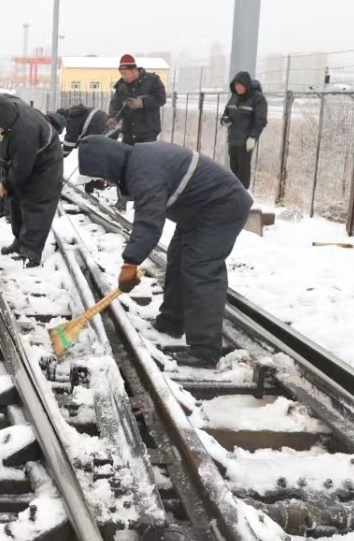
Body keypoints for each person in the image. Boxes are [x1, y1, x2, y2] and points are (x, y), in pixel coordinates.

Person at [77, 135, 252, 370]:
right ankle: (171, 322)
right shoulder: (138, 160)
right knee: (179, 259)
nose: (107, 182)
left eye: (104, 176)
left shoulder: (144, 169)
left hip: (222, 207)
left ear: (108, 163)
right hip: (200, 210)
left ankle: (206, 350)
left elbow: (149, 221)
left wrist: (130, 263)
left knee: (201, 270)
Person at [0, 94, 64, 267]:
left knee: (37, 202)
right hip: (24, 158)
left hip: (46, 160)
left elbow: (21, 168)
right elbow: (4, 157)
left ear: (2, 124)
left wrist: (6, 182)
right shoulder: (1, 124)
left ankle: (31, 251)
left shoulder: (25, 131)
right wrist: (5, 181)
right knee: (15, 197)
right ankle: (19, 241)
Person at [221, 71, 268, 190]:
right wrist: (224, 119)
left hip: (246, 140)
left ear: (247, 85)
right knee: (233, 165)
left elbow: (260, 120)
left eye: (240, 85)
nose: (238, 88)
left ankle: (243, 192)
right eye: (236, 85)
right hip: (232, 138)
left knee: (244, 167)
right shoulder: (234, 96)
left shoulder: (258, 98)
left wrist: (253, 137)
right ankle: (235, 191)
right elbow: (226, 112)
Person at [106, 54, 166, 144]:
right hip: (128, 135)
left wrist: (142, 103)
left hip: (147, 135)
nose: (123, 77)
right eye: (121, 74)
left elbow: (161, 98)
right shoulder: (121, 87)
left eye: (125, 74)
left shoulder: (152, 80)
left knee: (145, 157)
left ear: (134, 70)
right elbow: (116, 106)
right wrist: (113, 118)